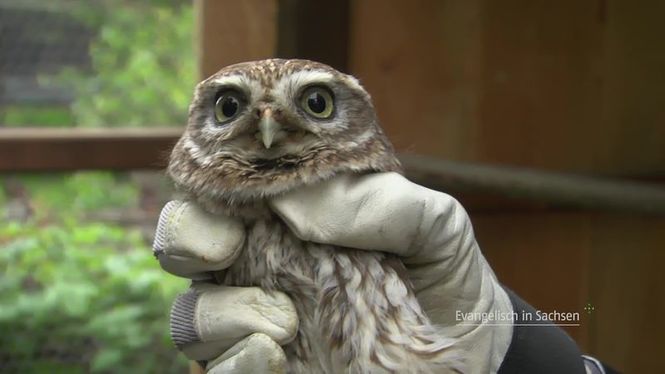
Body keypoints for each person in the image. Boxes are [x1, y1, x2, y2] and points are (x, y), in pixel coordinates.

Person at [153, 173, 612, 373]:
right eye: (231, 108)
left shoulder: (372, 201)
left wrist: (510, 354)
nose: (269, 129)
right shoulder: (218, 204)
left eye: (317, 104)